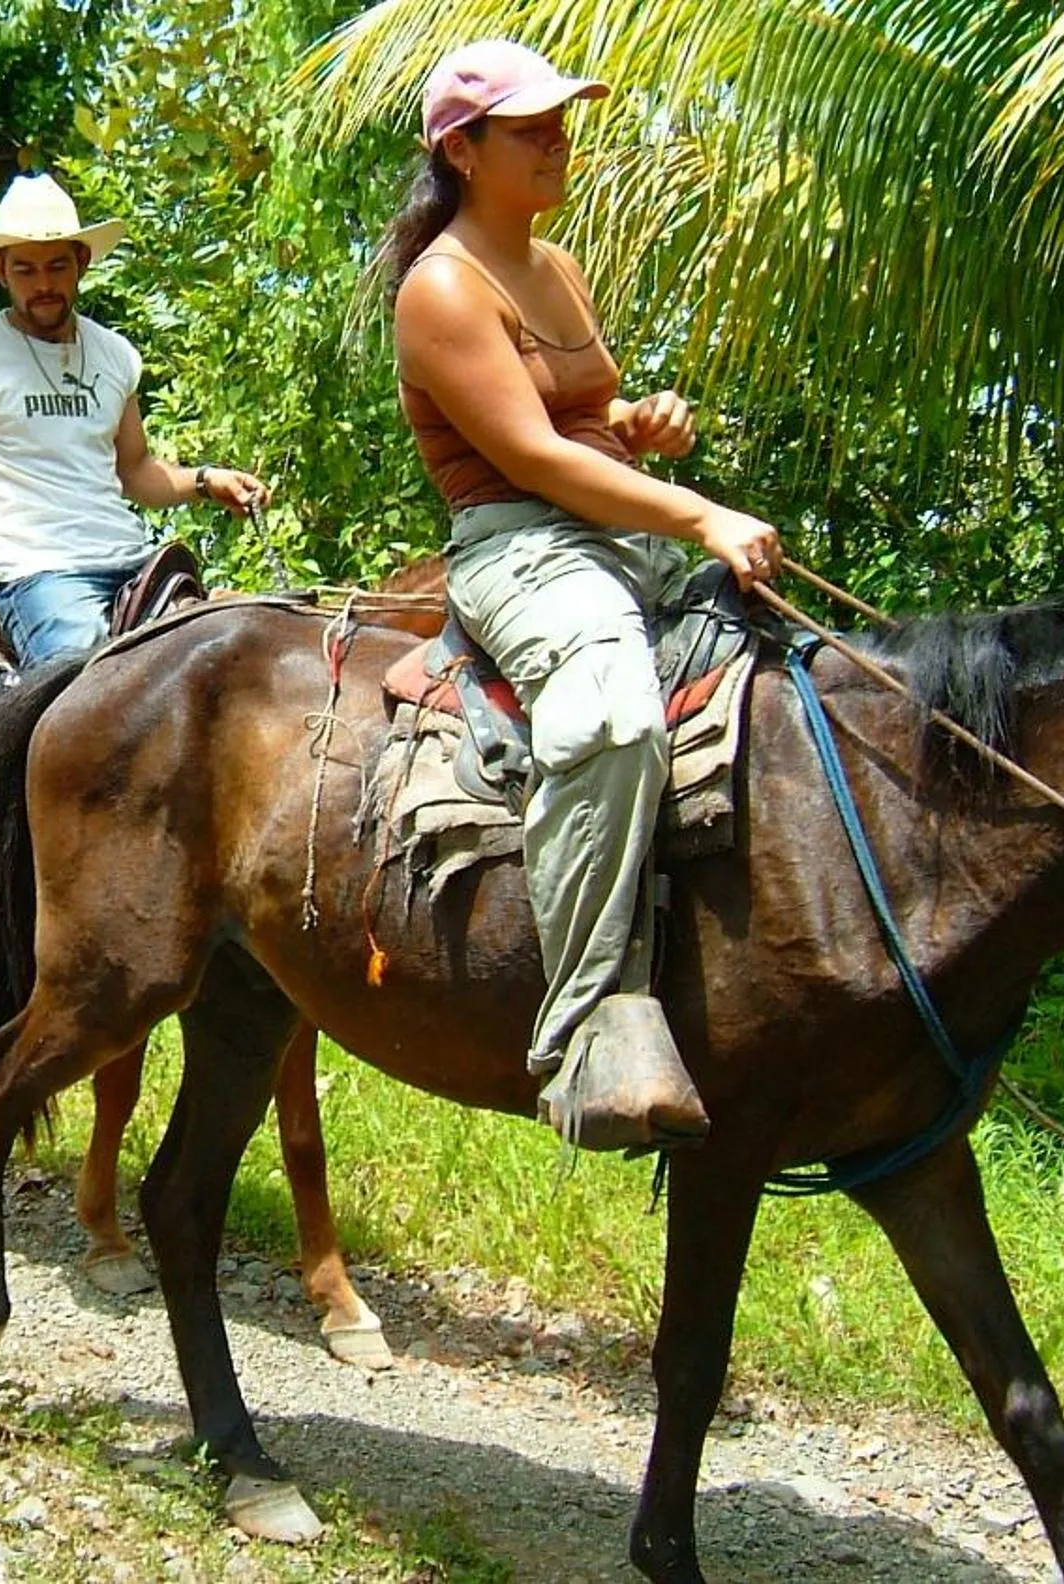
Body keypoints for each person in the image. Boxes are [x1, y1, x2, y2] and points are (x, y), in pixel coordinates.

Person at [386, 41, 785, 1151]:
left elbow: (583, 429)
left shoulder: (553, 267)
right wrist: (696, 510)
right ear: (461, 151)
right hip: (521, 545)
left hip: (615, 525)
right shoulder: (440, 288)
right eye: (530, 129)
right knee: (610, 716)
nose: (557, 141)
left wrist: (646, 426)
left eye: (560, 121)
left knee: (782, 658)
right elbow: (532, 456)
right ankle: (584, 1027)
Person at [0, 172, 268, 668]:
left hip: (133, 561)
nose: (45, 284)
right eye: (27, 270)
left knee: (228, 666)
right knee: (87, 701)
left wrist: (207, 481)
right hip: (37, 573)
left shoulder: (114, 354)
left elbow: (136, 471)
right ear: (0, 270)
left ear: (82, 262)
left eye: (57, 266)